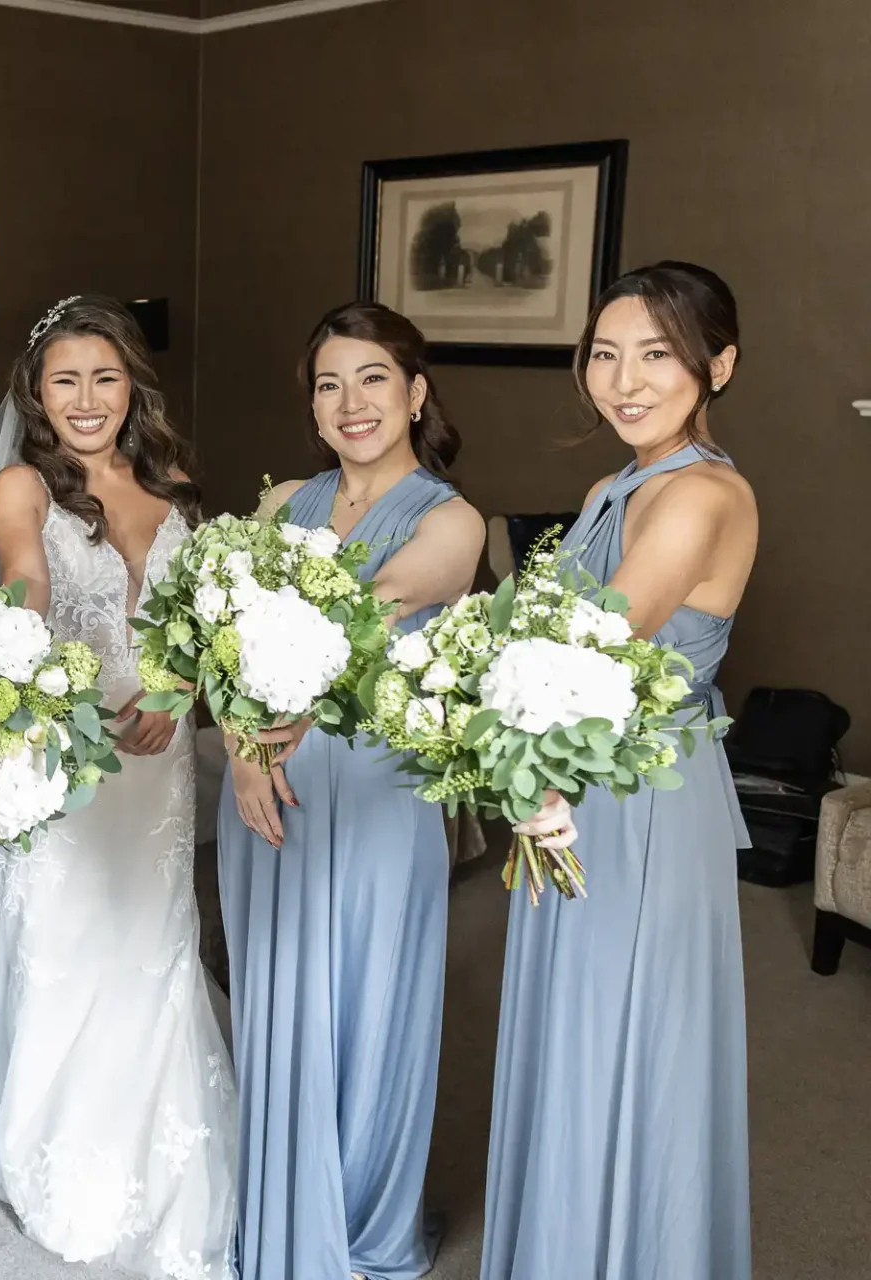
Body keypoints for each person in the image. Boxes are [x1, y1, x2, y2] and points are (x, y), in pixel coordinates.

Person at [0, 294, 235, 1280]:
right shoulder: (23, 484)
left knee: (153, 944)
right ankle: (53, 1158)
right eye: (66, 379)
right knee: (62, 947)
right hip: (69, 747)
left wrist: (181, 686)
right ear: (37, 392)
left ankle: (161, 1146)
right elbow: (25, 579)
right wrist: (18, 649)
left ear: (132, 385)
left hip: (158, 759)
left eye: (105, 376)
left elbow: (202, 618)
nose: (88, 397)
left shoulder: (175, 481)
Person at [482, 261, 756, 1280]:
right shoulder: (612, 484)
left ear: (716, 364)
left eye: (657, 354)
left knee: (628, 1034)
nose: (624, 379)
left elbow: (580, 653)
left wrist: (484, 703)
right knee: (573, 1026)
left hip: (640, 797)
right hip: (566, 778)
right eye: (605, 353)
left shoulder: (704, 495)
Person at [217, 301, 486, 1280]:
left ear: (415, 392)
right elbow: (222, 635)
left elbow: (356, 622)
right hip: (266, 785)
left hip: (375, 788)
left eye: (373, 377)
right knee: (279, 996)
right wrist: (243, 746)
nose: (350, 401)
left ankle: (365, 1217)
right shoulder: (281, 498)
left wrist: (254, 637)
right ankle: (284, 1202)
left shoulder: (452, 520)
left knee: (370, 1001)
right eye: (329, 383)